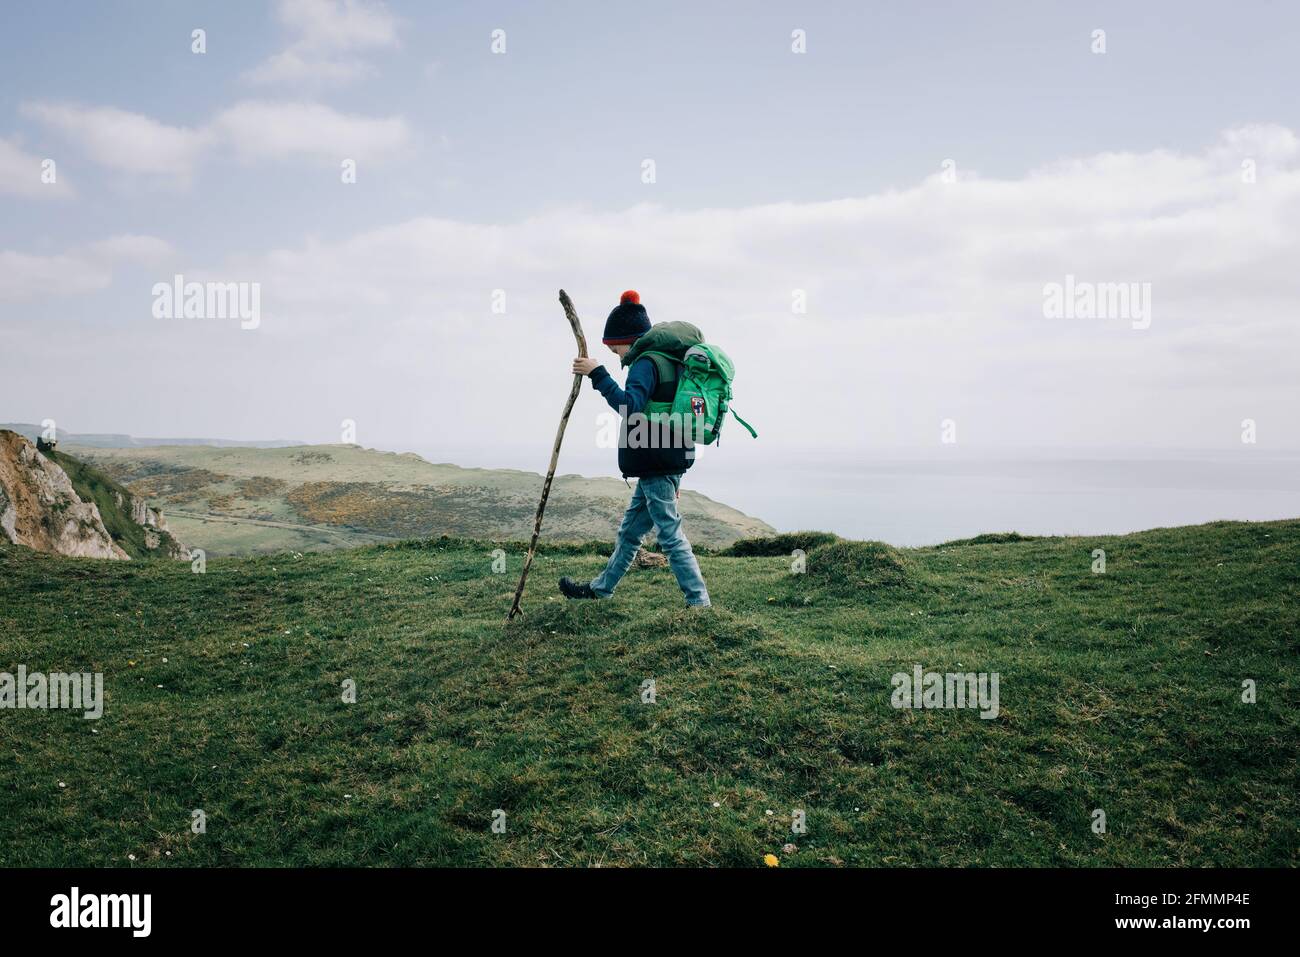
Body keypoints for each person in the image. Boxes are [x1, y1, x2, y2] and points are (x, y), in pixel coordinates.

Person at [559, 290, 711, 608]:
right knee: (630, 533)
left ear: (628, 340)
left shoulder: (646, 362)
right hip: (664, 458)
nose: (617, 356)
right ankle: (601, 589)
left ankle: (699, 602)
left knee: (669, 533)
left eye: (616, 349)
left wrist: (597, 374)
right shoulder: (669, 359)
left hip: (657, 460)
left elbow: (630, 406)